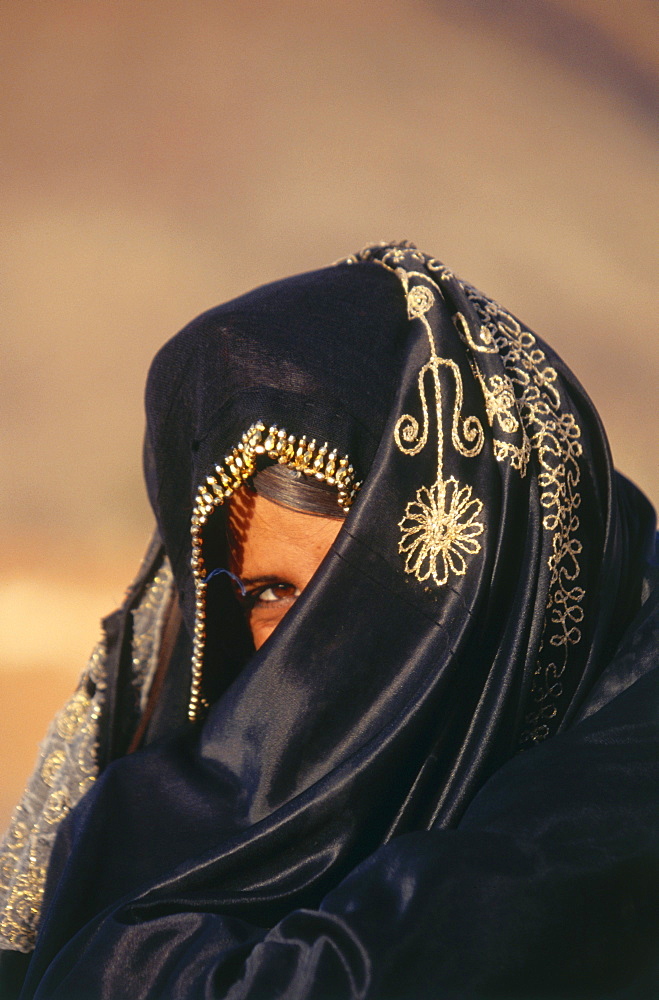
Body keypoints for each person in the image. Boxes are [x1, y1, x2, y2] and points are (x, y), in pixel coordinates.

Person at [1, 241, 657, 998]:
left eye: (354, 592)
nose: (310, 654)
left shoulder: (615, 792)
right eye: (270, 596)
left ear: (477, 568)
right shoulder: (240, 799)